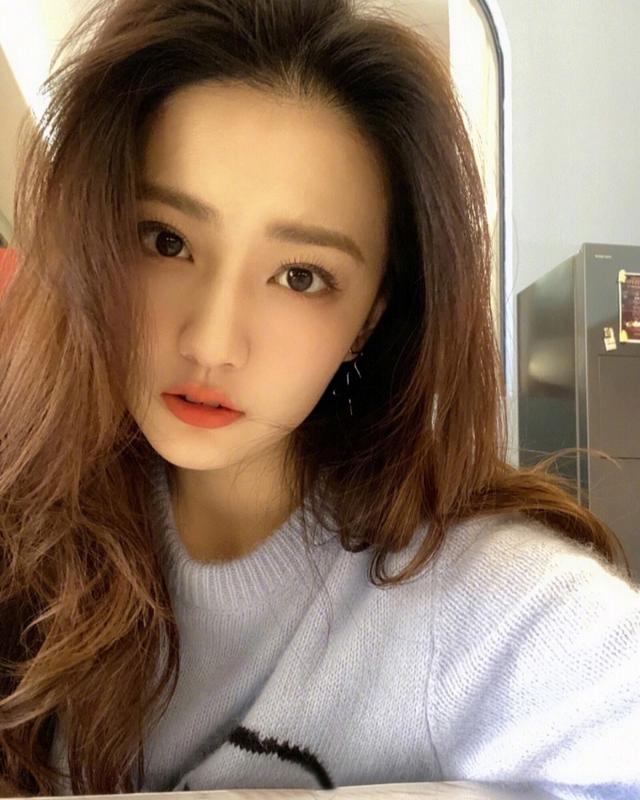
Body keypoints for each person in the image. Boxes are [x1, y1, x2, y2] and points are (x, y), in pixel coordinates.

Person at [0, 0, 638, 797]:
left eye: (300, 276)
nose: (213, 342)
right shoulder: (27, 540)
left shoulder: (459, 595)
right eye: (167, 241)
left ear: (368, 320)